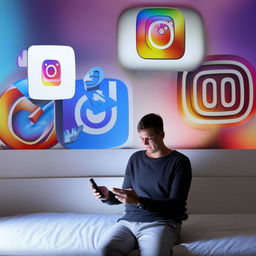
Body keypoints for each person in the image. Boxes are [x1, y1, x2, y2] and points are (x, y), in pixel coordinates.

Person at [92, 113, 192, 256]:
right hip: (129, 222)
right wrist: (107, 196)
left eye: (149, 138)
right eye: (141, 138)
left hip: (161, 222)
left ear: (162, 134)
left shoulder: (179, 162)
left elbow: (176, 206)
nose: (144, 143)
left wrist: (139, 201)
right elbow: (127, 195)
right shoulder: (135, 158)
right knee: (104, 249)